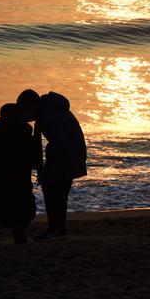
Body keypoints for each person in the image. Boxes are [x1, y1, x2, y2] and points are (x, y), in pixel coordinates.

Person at [17, 89, 87, 240]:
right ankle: (56, 228)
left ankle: (56, 228)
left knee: (55, 192)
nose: (25, 117)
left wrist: (46, 168)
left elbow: (59, 143)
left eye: (25, 111)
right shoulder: (48, 111)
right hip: (71, 154)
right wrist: (43, 168)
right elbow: (39, 146)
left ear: (32, 106)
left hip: (67, 155)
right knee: (55, 191)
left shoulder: (49, 116)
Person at [0, 102, 42, 245]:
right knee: (27, 200)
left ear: (0, 118)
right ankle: (19, 230)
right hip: (21, 200)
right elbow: (36, 163)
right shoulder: (29, 140)